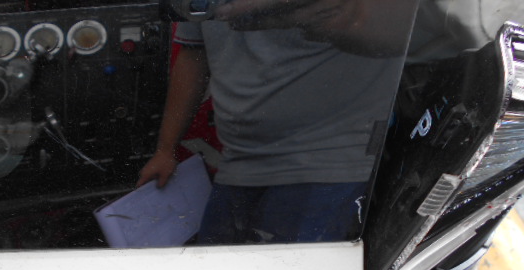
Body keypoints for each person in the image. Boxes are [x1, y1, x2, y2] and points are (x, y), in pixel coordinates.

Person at [137, 0, 417, 244]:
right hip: (238, 163)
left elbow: (390, 29)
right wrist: (166, 149)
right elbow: (192, 56)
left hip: (328, 161)